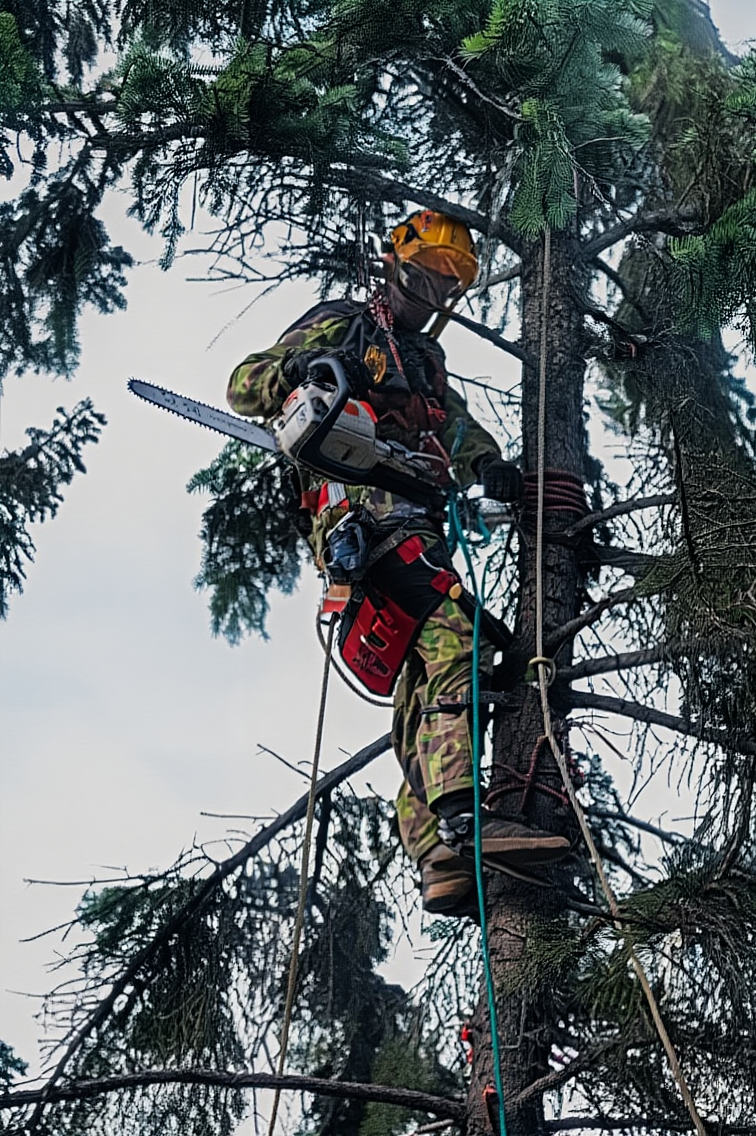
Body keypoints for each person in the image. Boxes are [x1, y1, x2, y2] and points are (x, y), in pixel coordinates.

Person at [228, 210, 569, 917]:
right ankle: (462, 817)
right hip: (361, 509)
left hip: (418, 518)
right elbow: (243, 384)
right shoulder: (345, 325)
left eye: (448, 283)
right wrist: (302, 370)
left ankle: (438, 855)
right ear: (395, 266)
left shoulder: (427, 363)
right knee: (456, 635)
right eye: (426, 275)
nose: (434, 293)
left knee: (424, 676)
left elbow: (458, 430)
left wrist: (490, 466)